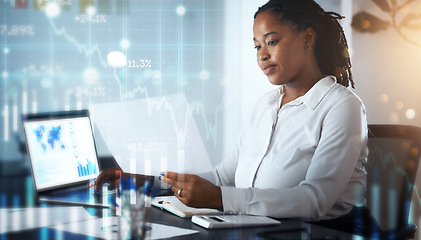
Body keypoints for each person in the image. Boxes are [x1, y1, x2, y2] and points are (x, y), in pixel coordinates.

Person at [95, 0, 376, 236]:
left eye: (272, 41)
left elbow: (316, 200)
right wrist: (152, 182)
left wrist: (219, 198)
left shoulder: (342, 106)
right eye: (257, 47)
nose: (262, 55)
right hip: (264, 227)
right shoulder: (266, 105)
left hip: (328, 232)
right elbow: (224, 176)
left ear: (308, 38)